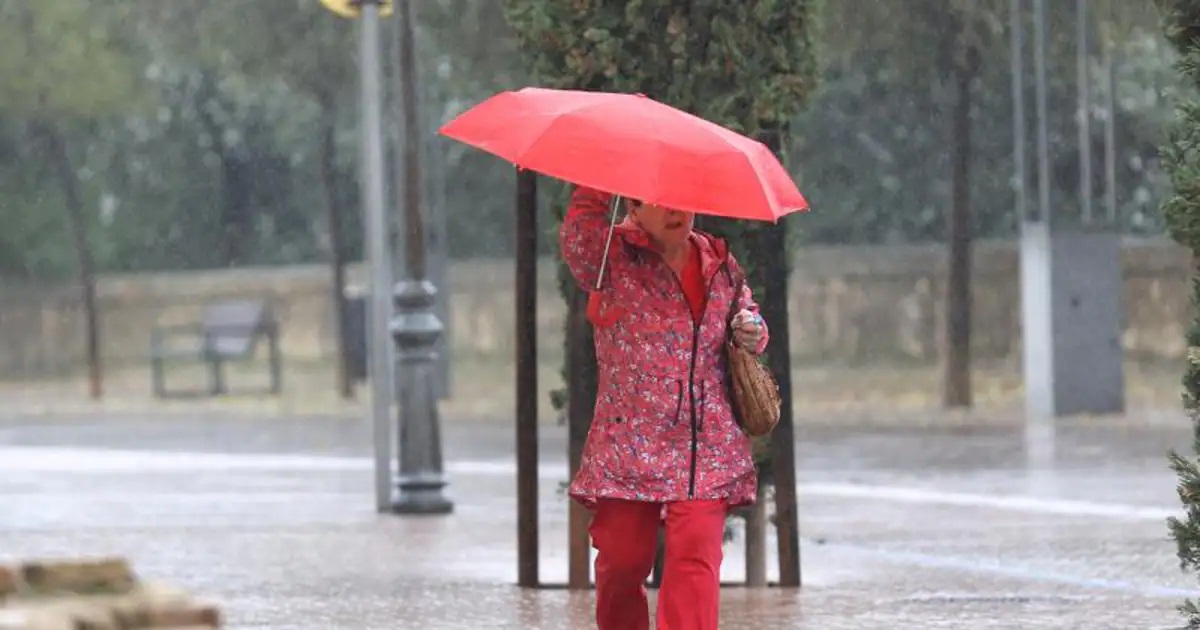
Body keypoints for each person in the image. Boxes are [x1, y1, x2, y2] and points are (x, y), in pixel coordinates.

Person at [559, 185, 769, 630]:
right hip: (629, 440)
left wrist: (751, 328)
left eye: (684, 196)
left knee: (696, 556)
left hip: (705, 443)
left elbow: (748, 314)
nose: (676, 209)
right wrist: (600, 176)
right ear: (633, 204)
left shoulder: (720, 263)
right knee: (622, 559)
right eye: (660, 199)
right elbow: (578, 235)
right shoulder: (609, 256)